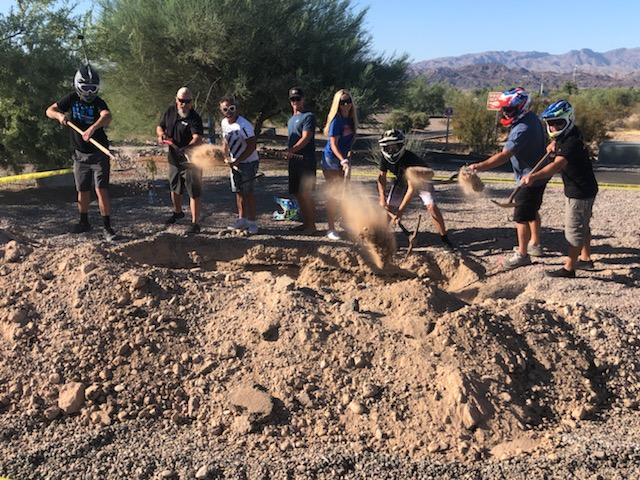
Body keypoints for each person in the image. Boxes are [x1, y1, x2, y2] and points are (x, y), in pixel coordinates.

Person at [469, 87, 547, 269]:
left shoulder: (522, 128)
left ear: (520, 107)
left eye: (509, 109)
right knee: (532, 210)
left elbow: (504, 155)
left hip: (529, 177)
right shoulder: (531, 118)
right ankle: (534, 244)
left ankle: (522, 255)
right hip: (536, 175)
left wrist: (478, 167)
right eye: (504, 109)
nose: (505, 112)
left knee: (520, 217)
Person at [521, 100, 598, 278]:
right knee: (583, 224)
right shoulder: (570, 134)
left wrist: (534, 176)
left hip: (579, 192)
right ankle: (585, 259)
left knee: (574, 230)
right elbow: (559, 149)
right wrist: (554, 145)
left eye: (558, 123)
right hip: (583, 188)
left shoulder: (570, 142)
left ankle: (569, 268)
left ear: (568, 120)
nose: (554, 127)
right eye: (551, 123)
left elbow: (556, 166)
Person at [46, 64, 117, 241]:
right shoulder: (71, 99)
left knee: (101, 189)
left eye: (93, 88)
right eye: (85, 87)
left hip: (99, 154)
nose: (89, 91)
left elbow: (106, 116)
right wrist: (60, 116)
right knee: (82, 190)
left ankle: (107, 227)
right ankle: (83, 222)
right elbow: (50, 110)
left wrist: (92, 128)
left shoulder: (98, 102)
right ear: (78, 85)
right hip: (79, 154)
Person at [376, 129, 453, 249]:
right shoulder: (384, 158)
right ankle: (382, 239)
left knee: (431, 206)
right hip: (402, 181)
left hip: (422, 181)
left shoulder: (410, 159)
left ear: (401, 145)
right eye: (387, 147)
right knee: (388, 208)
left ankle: (445, 239)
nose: (391, 150)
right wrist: (382, 198)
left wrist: (400, 213)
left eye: (394, 147)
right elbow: (381, 178)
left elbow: (411, 189)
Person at [156, 87, 204, 234]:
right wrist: (161, 135)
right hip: (173, 158)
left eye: (187, 101)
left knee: (193, 191)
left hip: (191, 160)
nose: (184, 104)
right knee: (175, 186)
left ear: (191, 102)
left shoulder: (194, 118)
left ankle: (195, 223)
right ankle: (178, 212)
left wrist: (187, 147)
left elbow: (197, 138)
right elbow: (160, 126)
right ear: (177, 100)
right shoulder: (170, 111)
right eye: (181, 101)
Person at [219, 96, 260, 234]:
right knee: (238, 191)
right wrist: (225, 156)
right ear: (221, 110)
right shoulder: (224, 123)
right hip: (234, 162)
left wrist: (239, 159)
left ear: (236, 108)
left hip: (248, 162)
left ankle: (253, 222)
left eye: (231, 108)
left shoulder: (244, 125)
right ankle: (242, 219)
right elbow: (225, 140)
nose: (229, 111)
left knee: (248, 192)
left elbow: (252, 144)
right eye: (225, 109)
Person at [321, 89, 357, 240]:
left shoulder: (351, 119)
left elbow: (348, 141)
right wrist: (342, 160)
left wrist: (347, 157)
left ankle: (344, 222)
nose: (346, 105)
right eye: (342, 102)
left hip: (343, 159)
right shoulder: (336, 121)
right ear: (338, 104)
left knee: (345, 192)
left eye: (348, 101)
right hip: (332, 159)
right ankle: (330, 228)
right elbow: (333, 145)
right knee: (334, 194)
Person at [286, 87, 317, 233]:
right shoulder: (291, 119)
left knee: (306, 193)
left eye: (298, 99)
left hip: (306, 160)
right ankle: (305, 223)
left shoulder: (308, 117)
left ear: (303, 99)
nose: (295, 102)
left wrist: (291, 150)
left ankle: (312, 225)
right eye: (293, 99)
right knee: (298, 193)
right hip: (294, 161)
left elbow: (306, 137)